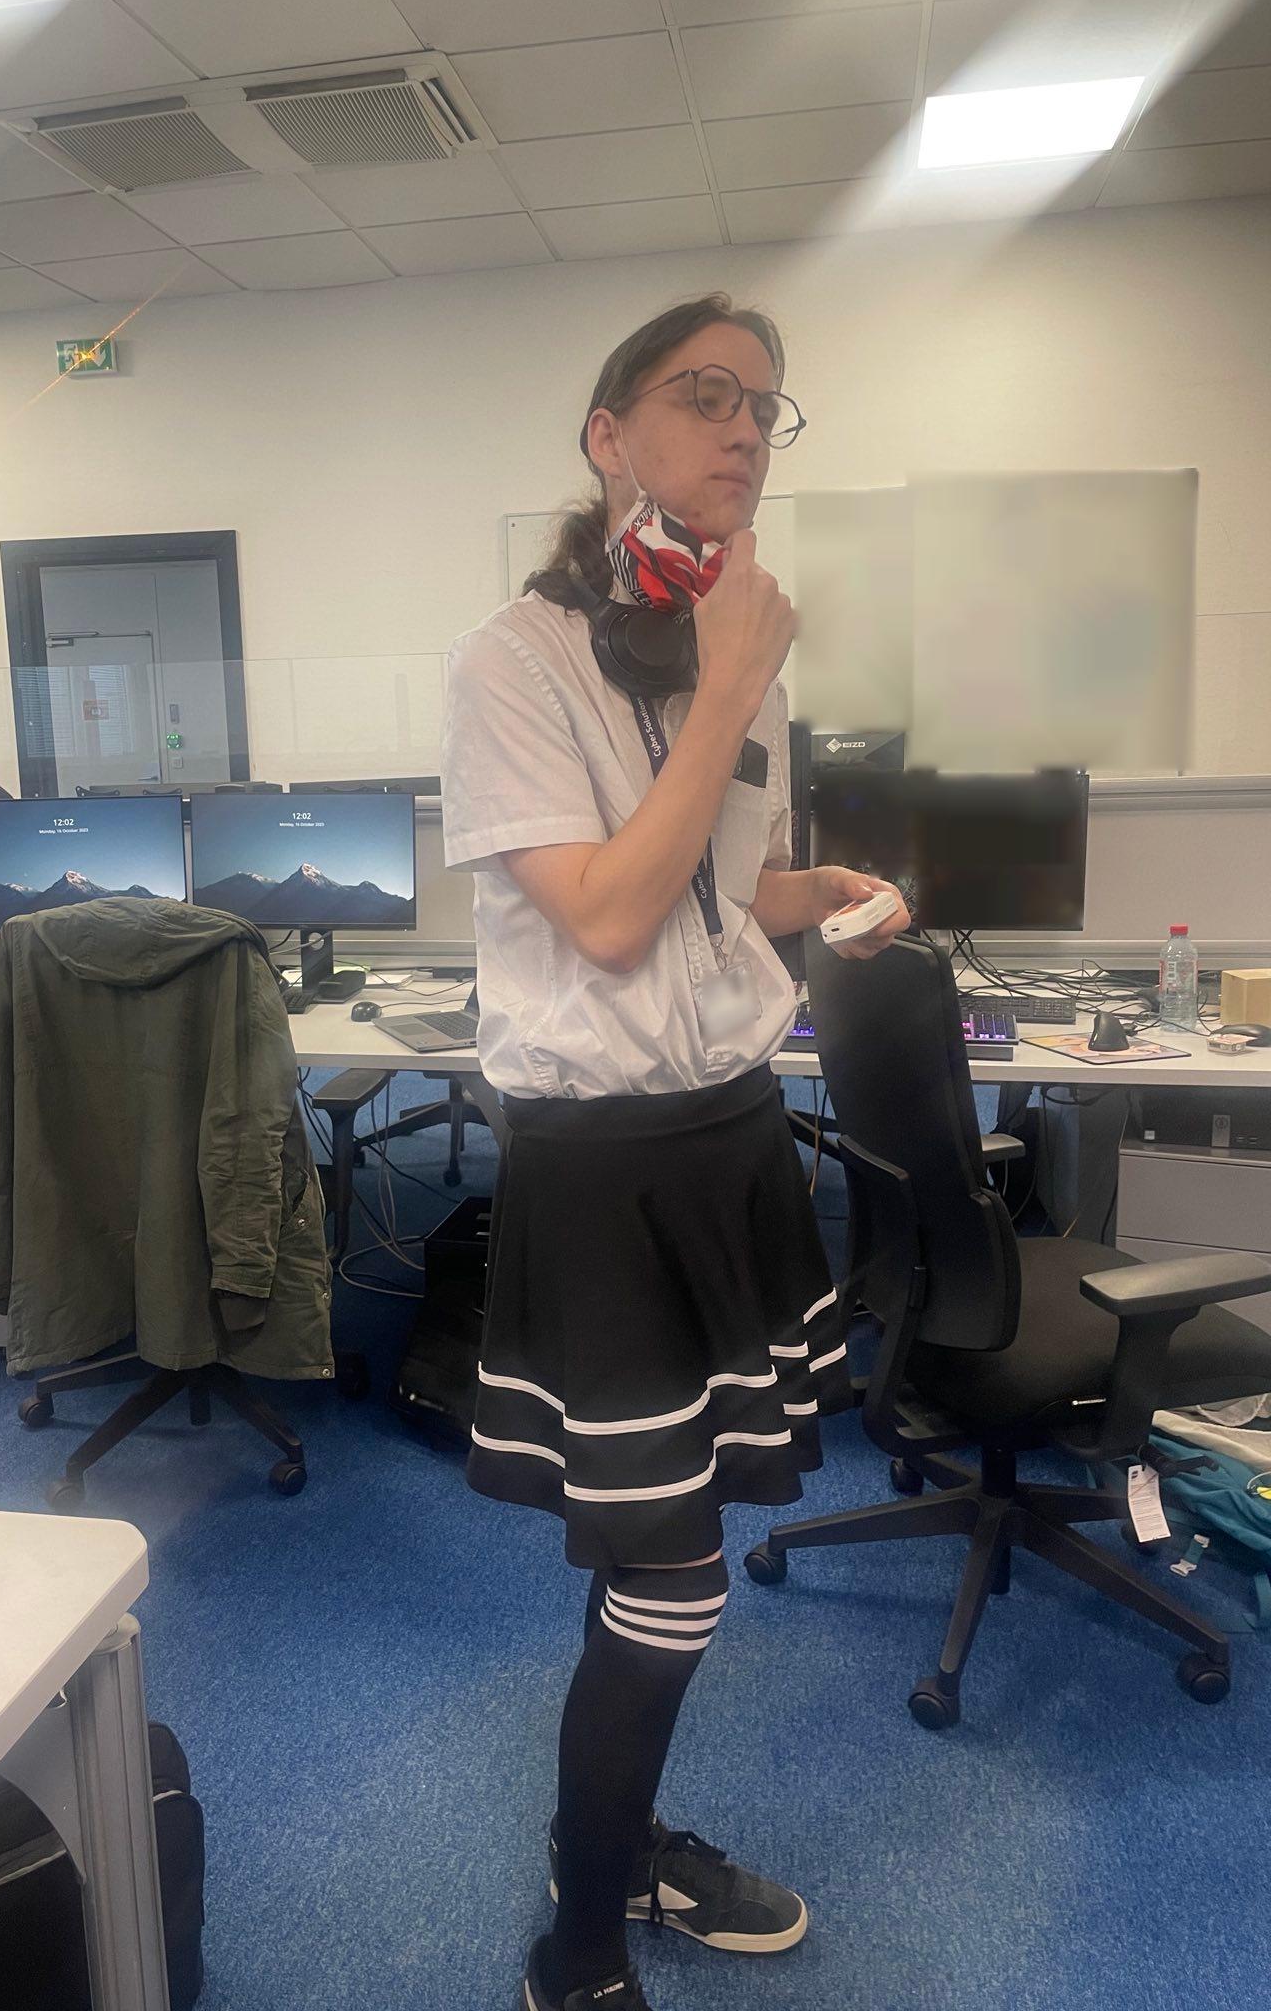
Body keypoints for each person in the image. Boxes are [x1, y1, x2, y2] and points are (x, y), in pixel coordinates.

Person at [440, 294, 910, 2011]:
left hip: (729, 1144)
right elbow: (610, 917)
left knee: (667, 1545)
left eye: (766, 409)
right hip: (607, 1170)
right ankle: (575, 1948)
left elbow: (711, 890)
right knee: (680, 1576)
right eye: (705, 395)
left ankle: (620, 1844)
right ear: (608, 435)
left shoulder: (731, 653)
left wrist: (822, 889)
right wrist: (731, 683)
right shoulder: (516, 661)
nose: (742, 431)